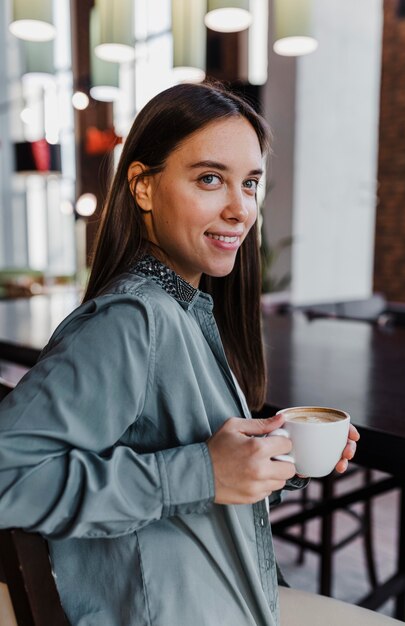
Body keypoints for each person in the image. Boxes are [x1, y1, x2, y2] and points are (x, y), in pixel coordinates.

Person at [0, 82, 359, 626]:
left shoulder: (185, 311)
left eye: (251, 183)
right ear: (143, 187)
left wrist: (271, 465)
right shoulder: (130, 323)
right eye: (210, 179)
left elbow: (191, 481)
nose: (241, 209)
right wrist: (201, 474)